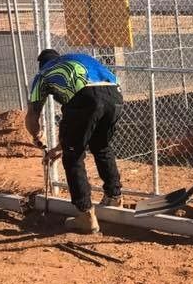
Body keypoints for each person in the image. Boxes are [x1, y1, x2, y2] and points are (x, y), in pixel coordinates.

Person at [25, 49, 125, 233]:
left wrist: (36, 136)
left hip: (85, 97)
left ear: (41, 64)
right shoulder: (78, 59)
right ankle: (114, 197)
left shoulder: (43, 74)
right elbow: (77, 131)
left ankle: (86, 215)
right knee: (101, 146)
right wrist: (58, 147)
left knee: (73, 157)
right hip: (115, 95)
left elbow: (32, 115)